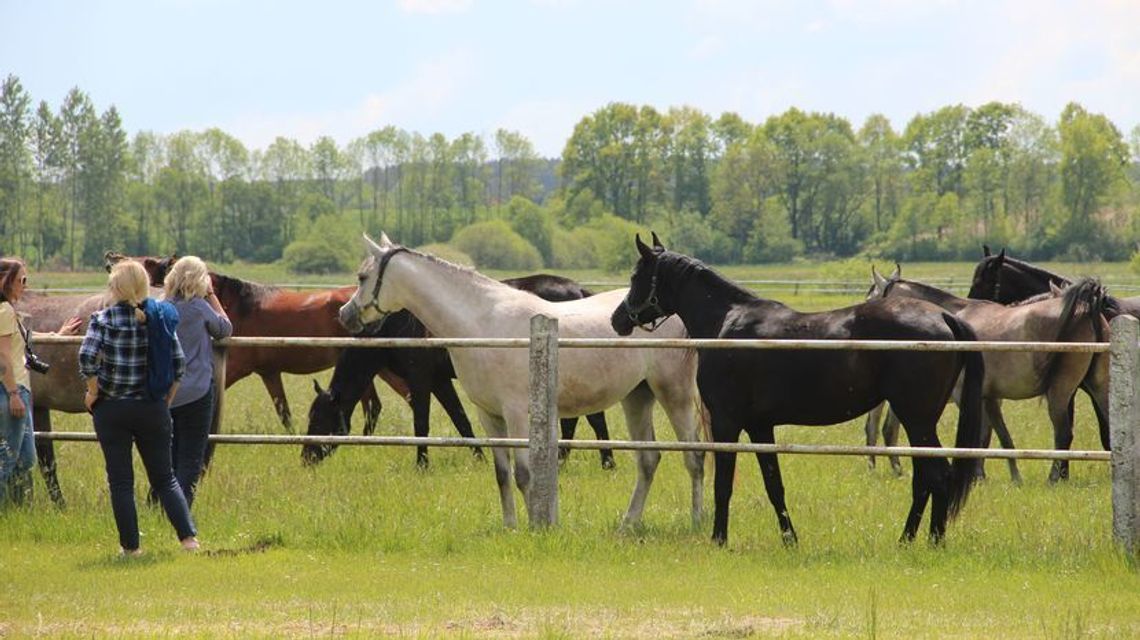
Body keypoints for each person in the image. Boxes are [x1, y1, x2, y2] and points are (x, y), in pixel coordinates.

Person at [79, 260, 199, 555]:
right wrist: (165, 400)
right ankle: (188, 540)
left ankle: (131, 548)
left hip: (112, 409)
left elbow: (87, 358)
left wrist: (93, 393)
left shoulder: (102, 319)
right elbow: (178, 365)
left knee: (121, 482)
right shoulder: (158, 319)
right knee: (165, 478)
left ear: (115, 287)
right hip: (152, 407)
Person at [0, 258, 81, 507]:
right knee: (7, 459)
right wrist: (13, 393)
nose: (25, 286)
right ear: (6, 281)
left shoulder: (8, 311)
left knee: (25, 458)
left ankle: (17, 511)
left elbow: (23, 337)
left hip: (19, 390)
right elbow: (2, 356)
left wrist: (57, 335)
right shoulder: (4, 311)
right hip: (11, 391)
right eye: (22, 280)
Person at [160, 256, 231, 507]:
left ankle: (162, 504)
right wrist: (212, 295)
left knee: (170, 453)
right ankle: (181, 511)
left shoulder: (161, 308)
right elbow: (224, 329)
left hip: (166, 393)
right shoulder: (199, 307)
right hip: (198, 392)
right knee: (191, 457)